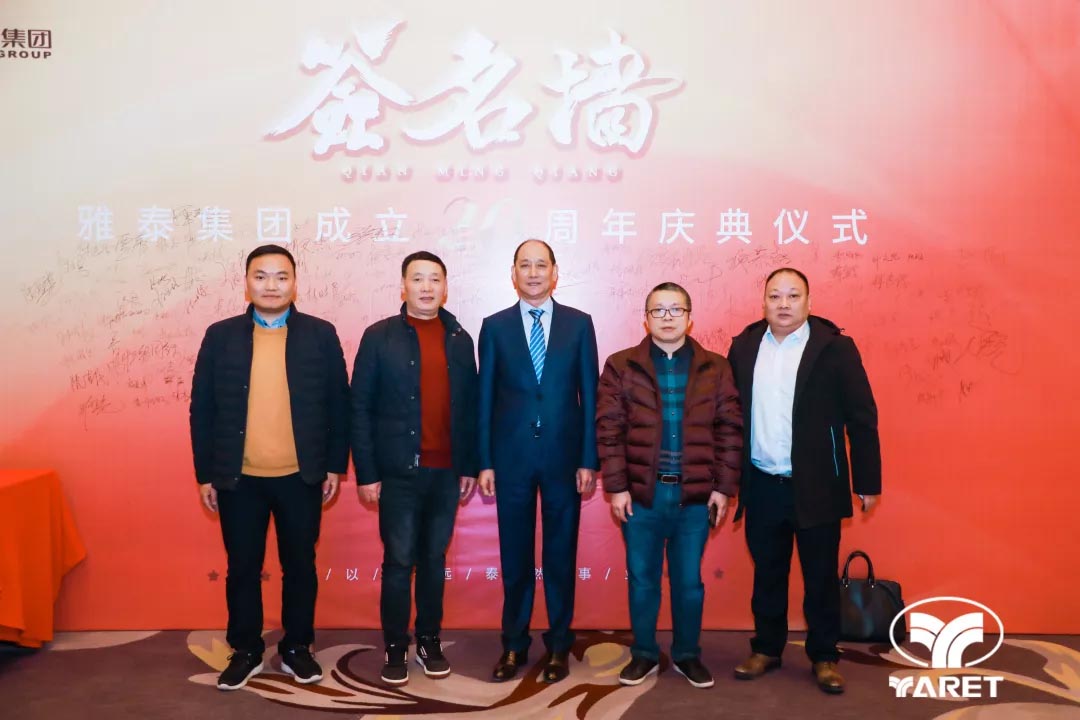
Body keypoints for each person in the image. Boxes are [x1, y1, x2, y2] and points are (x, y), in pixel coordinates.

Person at [190, 244, 350, 691]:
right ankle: (245, 650)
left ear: (295, 283)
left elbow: (339, 405)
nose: (271, 285)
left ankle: (297, 647)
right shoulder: (220, 336)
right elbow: (202, 408)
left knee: (300, 566)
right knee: (242, 567)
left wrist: (334, 466)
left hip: (301, 475)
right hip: (239, 477)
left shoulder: (320, 334)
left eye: (281, 276)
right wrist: (205, 474)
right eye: (261, 276)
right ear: (246, 283)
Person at [727, 267, 881, 694]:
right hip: (762, 482)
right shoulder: (744, 347)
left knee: (820, 576)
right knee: (768, 573)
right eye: (775, 296)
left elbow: (862, 417)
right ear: (763, 302)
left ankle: (824, 655)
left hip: (817, 484)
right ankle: (767, 648)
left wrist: (867, 480)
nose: (783, 304)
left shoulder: (835, 348)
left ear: (809, 302)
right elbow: (731, 415)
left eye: (793, 296)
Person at [596, 282, 743, 689]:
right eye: (658, 310)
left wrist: (723, 488)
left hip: (695, 496)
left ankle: (687, 654)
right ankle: (643, 653)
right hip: (642, 495)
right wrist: (617, 487)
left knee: (688, 583)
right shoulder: (621, 365)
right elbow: (609, 430)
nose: (667, 317)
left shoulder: (716, 368)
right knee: (642, 580)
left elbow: (730, 430)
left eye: (675, 309)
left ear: (690, 318)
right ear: (645, 319)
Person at [351, 251, 478, 686]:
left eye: (435, 279)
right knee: (399, 561)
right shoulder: (379, 336)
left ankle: (428, 640)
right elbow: (359, 407)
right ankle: (395, 644)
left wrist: (469, 464)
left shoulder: (460, 338)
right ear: (403, 286)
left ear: (446, 287)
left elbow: (469, 409)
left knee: (433, 560)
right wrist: (367, 472)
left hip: (446, 472)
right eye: (418, 279)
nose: (426, 287)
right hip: (397, 473)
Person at [477, 239, 599, 683]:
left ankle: (559, 645)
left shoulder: (579, 324)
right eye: (525, 265)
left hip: (564, 459)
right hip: (510, 460)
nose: (533, 273)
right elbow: (484, 398)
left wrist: (589, 459)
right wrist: (485, 461)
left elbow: (591, 395)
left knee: (561, 556)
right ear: (513, 273)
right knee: (515, 558)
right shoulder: (494, 327)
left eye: (540, 265)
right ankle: (514, 644)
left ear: (555, 272)